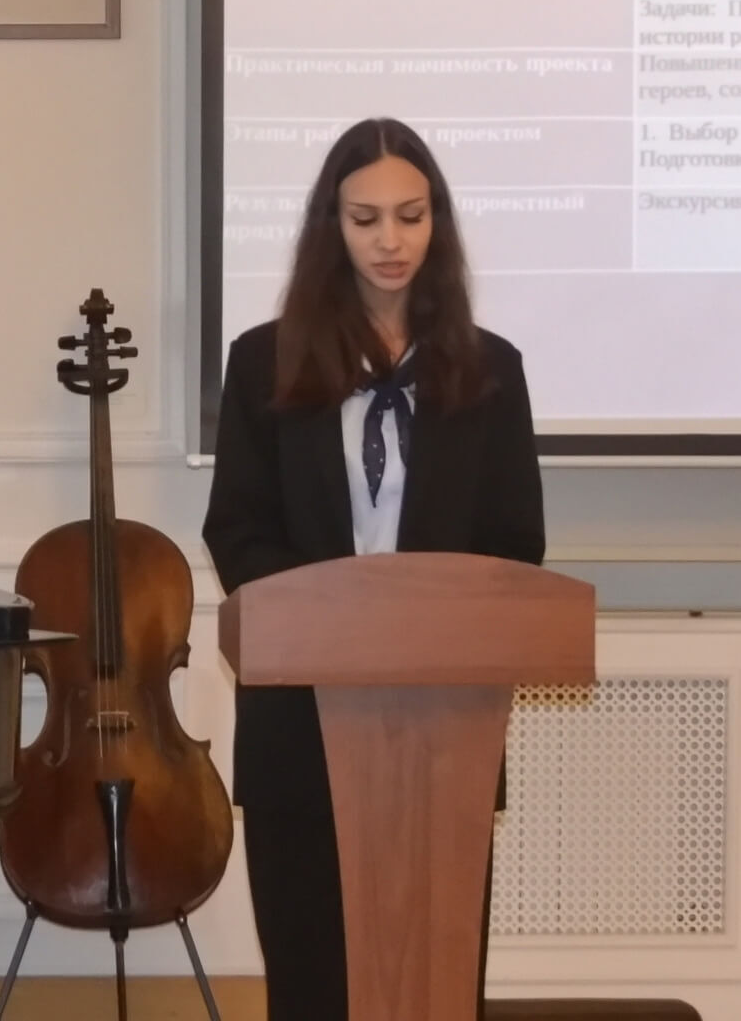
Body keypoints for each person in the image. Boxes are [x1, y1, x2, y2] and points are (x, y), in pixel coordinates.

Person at [202, 117, 545, 1020]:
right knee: (313, 980)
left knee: (433, 981)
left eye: (411, 216)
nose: (391, 241)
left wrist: (415, 620)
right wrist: (341, 619)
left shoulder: (492, 371)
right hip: (301, 724)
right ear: (333, 228)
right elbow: (237, 530)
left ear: (438, 224)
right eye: (365, 220)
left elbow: (516, 545)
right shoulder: (263, 362)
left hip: (446, 727)